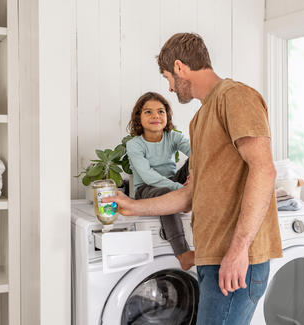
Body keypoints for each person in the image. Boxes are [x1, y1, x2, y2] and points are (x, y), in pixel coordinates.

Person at [104, 33, 283, 324]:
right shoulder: (200, 119)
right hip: (212, 257)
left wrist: (238, 251)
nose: (170, 88)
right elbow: (189, 195)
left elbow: (264, 171)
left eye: (168, 78)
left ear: (179, 66)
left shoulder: (235, 97)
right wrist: (132, 205)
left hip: (237, 260)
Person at [126, 91, 194, 270]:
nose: (155, 115)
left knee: (198, 157)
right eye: (148, 112)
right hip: (147, 189)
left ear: (167, 116)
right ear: (138, 118)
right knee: (166, 194)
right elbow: (148, 175)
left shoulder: (173, 137)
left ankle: (187, 198)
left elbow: (197, 153)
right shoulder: (135, 144)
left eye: (161, 111)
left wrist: (187, 184)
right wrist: (181, 190)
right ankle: (183, 254)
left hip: (173, 181)